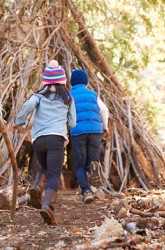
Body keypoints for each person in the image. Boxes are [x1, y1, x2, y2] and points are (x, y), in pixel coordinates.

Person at [12, 60, 76, 224]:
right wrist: (63, 124)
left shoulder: (39, 95)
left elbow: (28, 106)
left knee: (46, 168)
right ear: (62, 80)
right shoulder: (68, 97)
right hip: (56, 138)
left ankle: (36, 188)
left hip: (38, 140)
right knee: (54, 173)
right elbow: (72, 123)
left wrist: (18, 121)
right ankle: (47, 205)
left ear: (46, 80)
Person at [69, 69, 109, 204]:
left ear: (71, 83)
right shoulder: (92, 94)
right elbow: (103, 109)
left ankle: (86, 191)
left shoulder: (69, 95)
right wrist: (105, 126)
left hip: (78, 131)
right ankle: (94, 171)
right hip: (95, 130)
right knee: (92, 161)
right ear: (86, 83)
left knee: (80, 165)